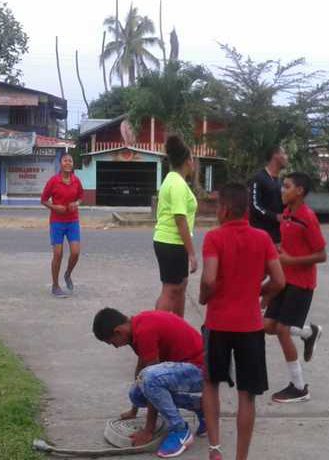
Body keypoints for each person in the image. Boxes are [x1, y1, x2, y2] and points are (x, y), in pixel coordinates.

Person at [199, 183, 285, 460]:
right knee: (247, 395)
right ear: (246, 209)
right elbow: (279, 280)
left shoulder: (214, 238)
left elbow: (209, 279)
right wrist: (259, 292)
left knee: (210, 384)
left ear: (224, 209)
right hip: (250, 327)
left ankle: (215, 449)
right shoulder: (262, 238)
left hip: (218, 324)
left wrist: (203, 296)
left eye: (217, 207)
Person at [93, 308, 206, 459]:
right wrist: (133, 410)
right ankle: (201, 406)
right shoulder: (136, 328)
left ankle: (179, 430)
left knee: (150, 380)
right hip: (188, 369)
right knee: (137, 395)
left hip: (202, 370)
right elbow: (141, 369)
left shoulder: (144, 331)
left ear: (118, 331)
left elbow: (150, 379)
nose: (116, 347)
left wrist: (148, 430)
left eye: (113, 343)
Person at [264, 172, 327, 403]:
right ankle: (308, 332)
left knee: (282, 330)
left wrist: (291, 261)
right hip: (284, 280)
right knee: (267, 326)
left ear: (299, 191)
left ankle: (299, 387)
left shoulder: (307, 217)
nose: (282, 190)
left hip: (302, 283)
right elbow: (286, 248)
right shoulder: (287, 215)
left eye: (287, 186)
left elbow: (321, 255)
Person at [153, 135, 197, 317]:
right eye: (193, 159)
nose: (194, 163)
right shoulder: (177, 184)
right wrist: (192, 253)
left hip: (171, 243)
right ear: (188, 161)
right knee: (171, 290)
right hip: (172, 242)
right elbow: (180, 220)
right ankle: (156, 326)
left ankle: (178, 325)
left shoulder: (172, 179)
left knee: (181, 285)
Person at [41, 152, 84, 298]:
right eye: (65, 160)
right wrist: (55, 207)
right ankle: (55, 286)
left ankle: (67, 274)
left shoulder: (76, 181)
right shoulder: (53, 181)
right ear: (60, 163)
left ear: (72, 164)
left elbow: (81, 197)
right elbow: (43, 199)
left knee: (75, 252)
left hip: (72, 221)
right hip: (57, 222)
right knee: (58, 254)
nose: (68, 163)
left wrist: (76, 203)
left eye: (70, 161)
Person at [249, 146, 288, 244]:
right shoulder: (259, 178)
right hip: (260, 236)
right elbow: (254, 205)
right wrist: (275, 216)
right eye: (284, 153)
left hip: (277, 237)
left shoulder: (280, 181)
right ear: (275, 155)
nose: (286, 157)